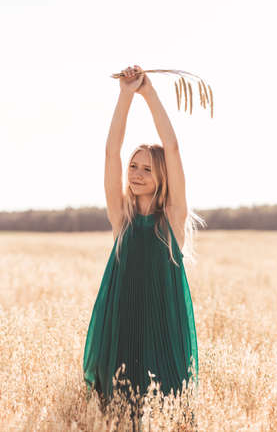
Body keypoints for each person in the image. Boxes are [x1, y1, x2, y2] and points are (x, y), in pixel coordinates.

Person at [83, 65, 205, 419]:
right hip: (121, 318)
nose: (136, 174)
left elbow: (173, 147)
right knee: (117, 409)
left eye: (147, 169)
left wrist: (148, 94)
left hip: (164, 322)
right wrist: (124, 95)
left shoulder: (172, 219)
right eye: (133, 167)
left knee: (166, 404)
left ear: (162, 176)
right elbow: (111, 152)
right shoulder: (121, 218)